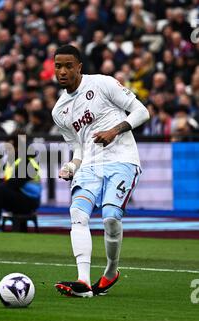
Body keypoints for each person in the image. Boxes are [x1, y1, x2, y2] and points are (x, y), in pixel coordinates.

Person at [52, 45, 149, 297]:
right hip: (91, 167)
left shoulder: (103, 84)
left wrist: (113, 131)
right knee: (77, 213)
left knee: (110, 218)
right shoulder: (59, 111)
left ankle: (111, 271)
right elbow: (78, 149)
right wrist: (72, 166)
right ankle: (83, 282)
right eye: (58, 66)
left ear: (79, 67)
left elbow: (142, 112)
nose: (62, 71)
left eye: (68, 66)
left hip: (122, 160)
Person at [0, 132, 41, 232]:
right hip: (17, 195)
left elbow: (14, 183)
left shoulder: (28, 162)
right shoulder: (12, 160)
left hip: (29, 201)